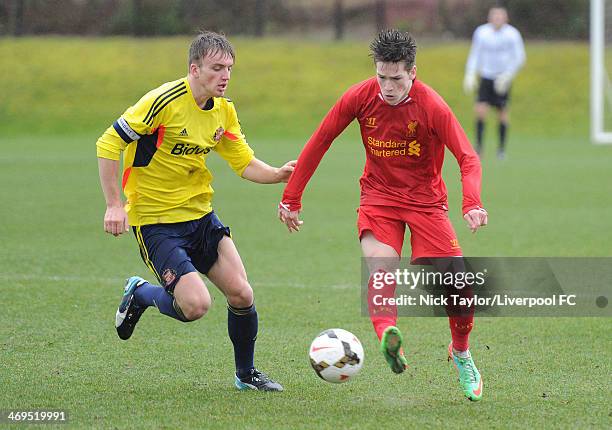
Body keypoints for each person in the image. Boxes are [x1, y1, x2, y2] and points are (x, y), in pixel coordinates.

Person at [278, 29, 488, 401]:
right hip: (378, 197)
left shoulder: (432, 106)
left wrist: (471, 202)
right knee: (380, 265)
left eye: (396, 78)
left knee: (459, 285)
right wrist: (291, 196)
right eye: (381, 76)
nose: (387, 87)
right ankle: (389, 337)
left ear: (413, 73)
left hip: (426, 201)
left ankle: (461, 352)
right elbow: (319, 141)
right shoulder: (359, 97)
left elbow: (468, 157)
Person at [96, 31, 292, 392]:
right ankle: (140, 294)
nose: (225, 76)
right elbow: (109, 142)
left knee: (242, 295)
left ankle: (246, 374)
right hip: (156, 222)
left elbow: (243, 162)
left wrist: (277, 174)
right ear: (195, 68)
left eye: (229, 68)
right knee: (195, 306)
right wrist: (113, 204)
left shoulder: (223, 111)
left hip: (201, 217)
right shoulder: (163, 101)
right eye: (217, 68)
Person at [463, 6, 526, 159]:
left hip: (502, 78)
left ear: (506, 19)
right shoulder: (481, 32)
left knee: (502, 113)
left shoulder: (512, 34)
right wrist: (470, 73)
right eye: (494, 16)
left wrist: (507, 75)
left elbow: (520, 57)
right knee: (480, 110)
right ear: (489, 18)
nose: (497, 19)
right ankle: (479, 147)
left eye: (500, 17)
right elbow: (475, 54)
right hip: (486, 76)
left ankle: (501, 149)